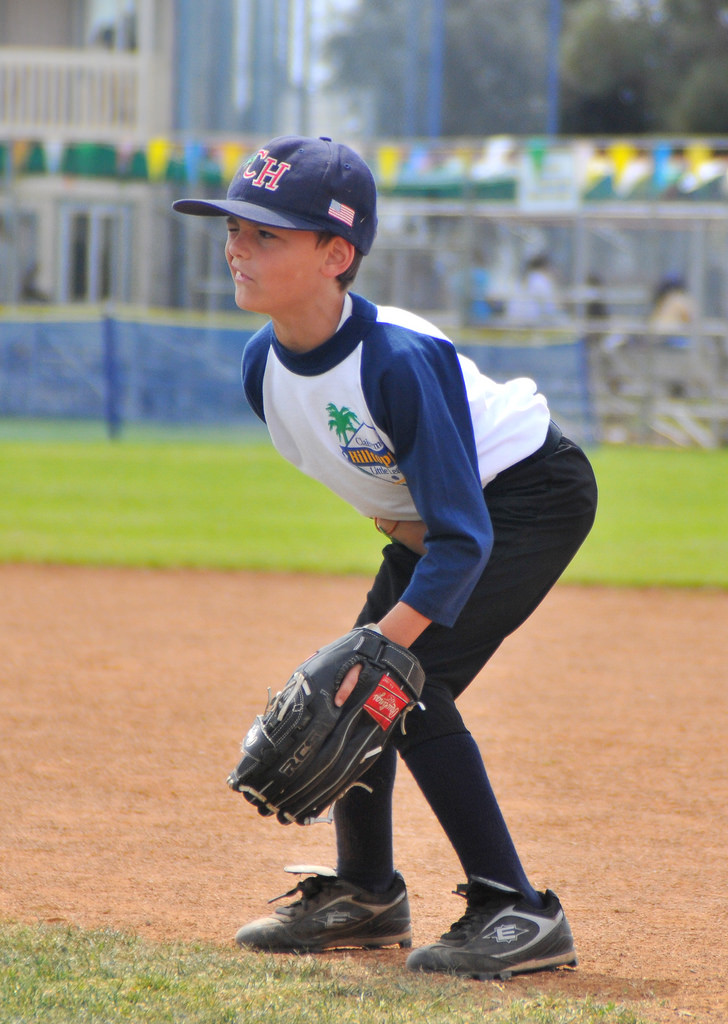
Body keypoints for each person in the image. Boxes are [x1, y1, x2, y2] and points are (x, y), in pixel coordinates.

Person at [173, 136, 598, 980]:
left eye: (267, 235)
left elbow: (467, 533)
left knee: (397, 682)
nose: (236, 248)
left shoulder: (399, 358)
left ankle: (516, 907)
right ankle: (365, 895)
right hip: (442, 523)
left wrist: (387, 648)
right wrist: (384, 625)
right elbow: (385, 494)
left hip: (528, 496)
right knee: (360, 687)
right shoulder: (263, 369)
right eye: (234, 228)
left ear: (336, 255)